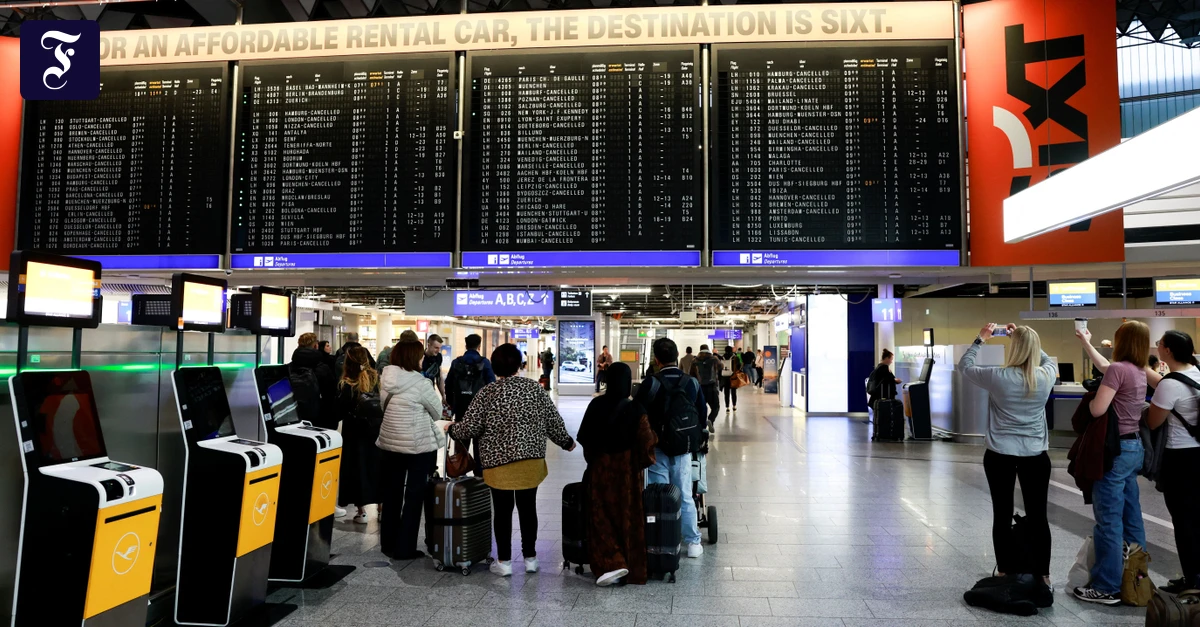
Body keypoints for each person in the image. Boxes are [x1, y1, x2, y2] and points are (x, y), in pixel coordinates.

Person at [445, 344, 575, 577]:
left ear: (493, 366)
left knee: (503, 512)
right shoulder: (534, 390)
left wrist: (451, 429)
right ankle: (531, 559)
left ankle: (504, 562)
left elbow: (470, 427)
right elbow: (552, 421)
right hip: (530, 461)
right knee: (528, 509)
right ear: (518, 364)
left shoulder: (487, 393)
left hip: (497, 463)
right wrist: (566, 442)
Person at [959, 324, 1056, 598]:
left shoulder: (998, 376)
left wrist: (981, 339)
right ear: (1035, 350)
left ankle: (1004, 571)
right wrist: (1025, 339)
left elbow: (965, 366)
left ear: (1013, 349)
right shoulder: (1045, 375)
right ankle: (1043, 575)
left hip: (1000, 454)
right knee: (1039, 517)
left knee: (1002, 514)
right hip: (1036, 454)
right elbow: (1047, 360)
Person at [1073, 321, 1150, 605]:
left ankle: (1107, 586)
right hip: (1134, 449)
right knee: (1132, 517)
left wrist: (1095, 395)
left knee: (1108, 521)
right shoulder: (1138, 371)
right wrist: (1086, 342)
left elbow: (1097, 409)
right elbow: (1108, 366)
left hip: (1114, 453)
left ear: (1122, 341)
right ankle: (1136, 579)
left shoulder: (1120, 370)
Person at [577, 363, 657, 586]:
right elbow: (647, 447)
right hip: (627, 476)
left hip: (600, 471)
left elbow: (585, 440)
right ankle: (630, 565)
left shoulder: (595, 405)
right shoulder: (637, 410)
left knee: (600, 516)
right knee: (628, 517)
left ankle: (609, 563)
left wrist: (596, 460)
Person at [634, 338, 707, 559]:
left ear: (656, 359)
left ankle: (661, 539)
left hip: (657, 449)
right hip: (684, 450)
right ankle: (693, 543)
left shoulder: (651, 383)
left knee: (660, 495)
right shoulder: (691, 383)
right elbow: (702, 416)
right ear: (677, 356)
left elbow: (638, 415)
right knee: (685, 494)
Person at [376, 340, 445, 560]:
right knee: (414, 497)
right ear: (413, 358)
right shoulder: (421, 383)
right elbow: (437, 412)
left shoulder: (386, 379)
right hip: (417, 446)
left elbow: (382, 406)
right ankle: (405, 548)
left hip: (389, 443)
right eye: (420, 355)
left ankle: (388, 543)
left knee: (392, 494)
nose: (423, 358)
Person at [1144, 330, 1200, 593]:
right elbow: (1165, 384)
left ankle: (1192, 581)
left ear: (1167, 351)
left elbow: (1154, 421)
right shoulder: (1196, 373)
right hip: (1198, 454)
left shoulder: (1170, 384)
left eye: (1159, 344)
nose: (1158, 347)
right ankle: (1195, 576)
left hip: (1179, 459)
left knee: (1184, 522)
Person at [336, 346, 382, 524]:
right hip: (376, 431)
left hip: (354, 434)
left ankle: (361, 511)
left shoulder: (346, 384)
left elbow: (338, 411)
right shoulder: (377, 379)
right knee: (377, 468)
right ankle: (381, 508)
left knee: (357, 469)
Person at [289, 332, 338, 430]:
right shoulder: (322, 369)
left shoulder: (289, 367)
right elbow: (331, 395)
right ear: (316, 346)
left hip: (294, 416)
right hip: (319, 418)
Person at [690, 344, 721, 427]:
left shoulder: (695, 360)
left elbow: (691, 374)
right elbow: (721, 366)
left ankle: (701, 425)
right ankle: (710, 419)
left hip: (700, 387)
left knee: (701, 407)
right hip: (712, 386)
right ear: (708, 349)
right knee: (715, 407)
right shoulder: (714, 359)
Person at [422, 334, 446, 403]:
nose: (438, 350)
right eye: (436, 348)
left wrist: (443, 395)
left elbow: (439, 377)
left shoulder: (439, 357)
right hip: (420, 393)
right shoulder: (420, 357)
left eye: (439, 348)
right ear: (429, 345)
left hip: (431, 392)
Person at [721, 346, 741, 413]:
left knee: (726, 392)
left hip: (725, 376)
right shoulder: (735, 357)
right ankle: (734, 406)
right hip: (733, 377)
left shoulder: (722, 357)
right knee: (733, 392)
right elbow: (739, 366)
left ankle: (727, 407)